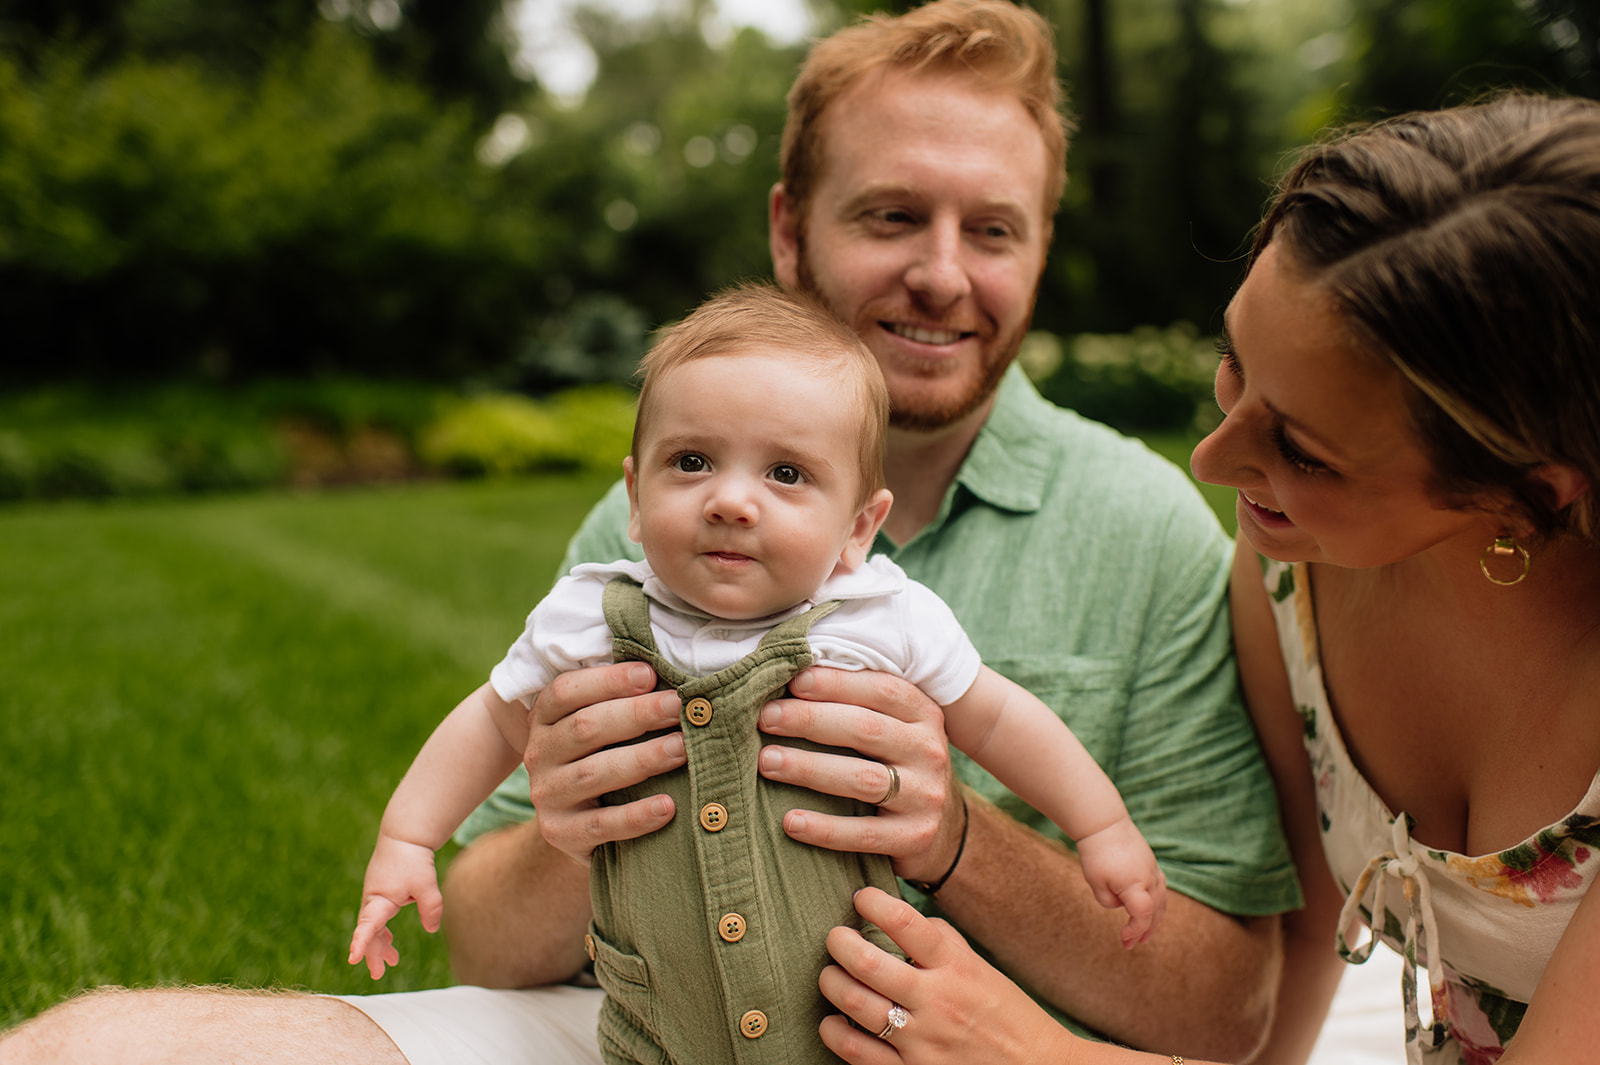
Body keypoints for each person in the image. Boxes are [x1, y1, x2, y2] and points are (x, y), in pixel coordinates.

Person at [0, 3, 1298, 1063]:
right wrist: (569, 828)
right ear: (791, 229)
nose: (944, 273)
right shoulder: (652, 531)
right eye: (893, 215)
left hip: (972, 1047)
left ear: (1041, 249)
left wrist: (955, 837)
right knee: (92, 1049)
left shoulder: (1144, 530)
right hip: (641, 1031)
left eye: (992, 230)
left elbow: (1225, 1012)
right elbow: (494, 952)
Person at [813, 90, 1600, 1065]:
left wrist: (1036, 1054)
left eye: (1304, 451)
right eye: (1235, 364)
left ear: (1526, 497)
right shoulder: (1292, 577)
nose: (1211, 461)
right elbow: (1310, 930)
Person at [347, 282, 1167, 1065]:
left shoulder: (877, 619)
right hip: (654, 1023)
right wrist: (408, 838)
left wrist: (1100, 828)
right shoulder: (591, 615)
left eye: (785, 474)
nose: (731, 500)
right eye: (693, 461)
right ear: (635, 497)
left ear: (858, 527)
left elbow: (997, 718)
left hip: (848, 1024)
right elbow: (491, 719)